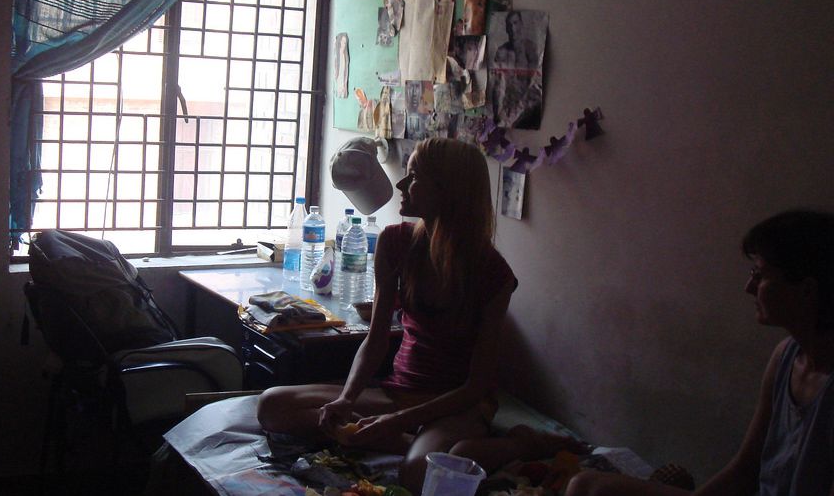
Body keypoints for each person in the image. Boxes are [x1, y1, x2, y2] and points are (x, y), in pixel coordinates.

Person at [258, 137, 570, 492]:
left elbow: (476, 386)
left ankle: (515, 444)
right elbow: (375, 341)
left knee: (418, 472)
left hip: (456, 404)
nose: (401, 185)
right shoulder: (395, 243)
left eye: (414, 176)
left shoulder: (494, 276)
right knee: (272, 406)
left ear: (448, 190)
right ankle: (429, 443)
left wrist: (395, 421)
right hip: (400, 391)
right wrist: (347, 398)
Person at [566, 209, 834, 496]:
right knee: (587, 486)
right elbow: (744, 470)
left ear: (806, 291)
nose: (749, 287)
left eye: (760, 274)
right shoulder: (785, 357)